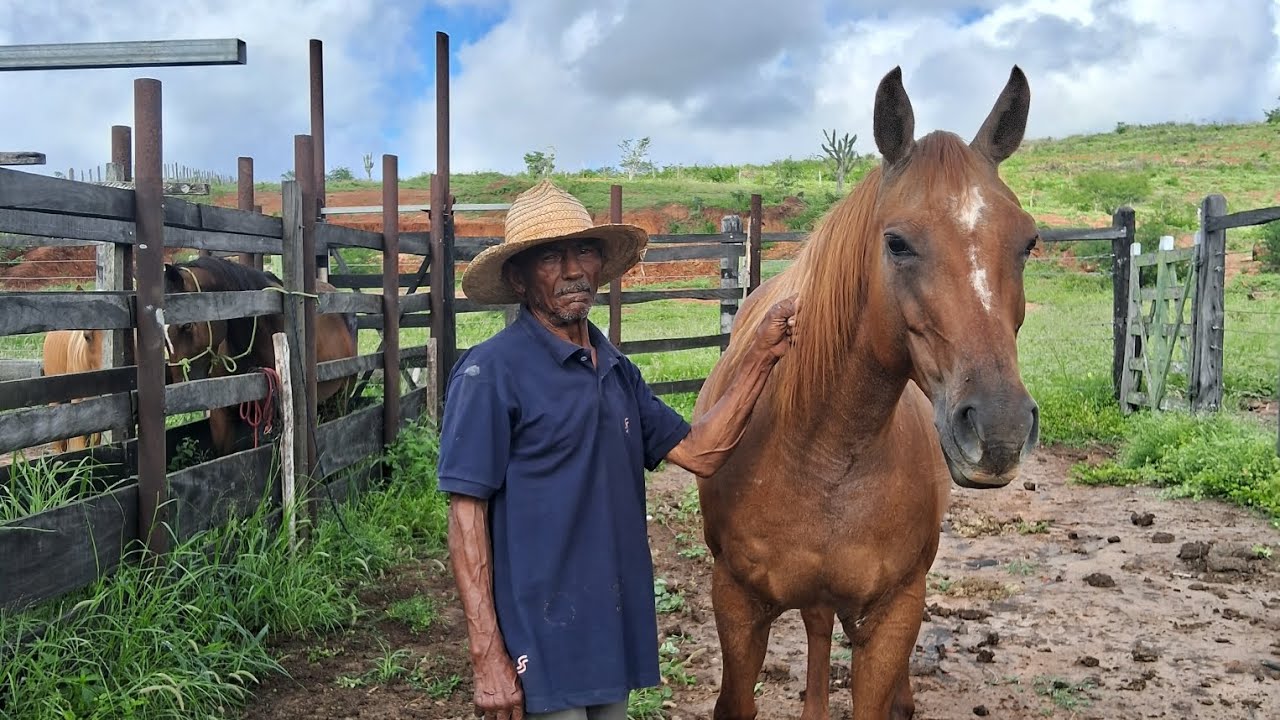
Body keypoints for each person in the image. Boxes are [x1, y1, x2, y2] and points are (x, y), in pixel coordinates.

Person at [437, 180, 800, 720]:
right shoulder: (491, 373)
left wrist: (762, 355)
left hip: (608, 627)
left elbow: (701, 451)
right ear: (518, 278)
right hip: (538, 639)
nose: (573, 270)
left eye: (584, 251)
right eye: (550, 257)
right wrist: (487, 654)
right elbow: (466, 517)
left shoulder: (615, 370)